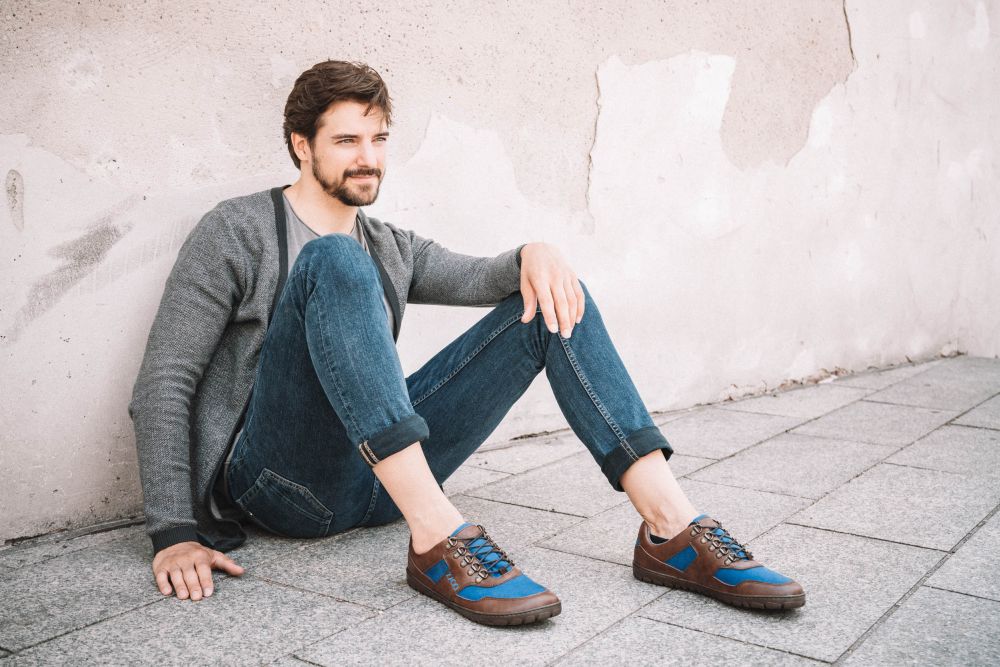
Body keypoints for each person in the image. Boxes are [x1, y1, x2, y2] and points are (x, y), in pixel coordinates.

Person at [128, 60, 805, 626]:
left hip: (380, 486)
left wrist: (536, 251)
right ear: (301, 145)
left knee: (551, 297)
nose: (369, 159)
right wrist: (173, 531)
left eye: (378, 139)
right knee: (333, 259)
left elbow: (482, 275)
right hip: (282, 486)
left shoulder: (389, 245)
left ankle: (671, 529)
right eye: (347, 140)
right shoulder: (237, 231)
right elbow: (165, 379)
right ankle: (437, 538)